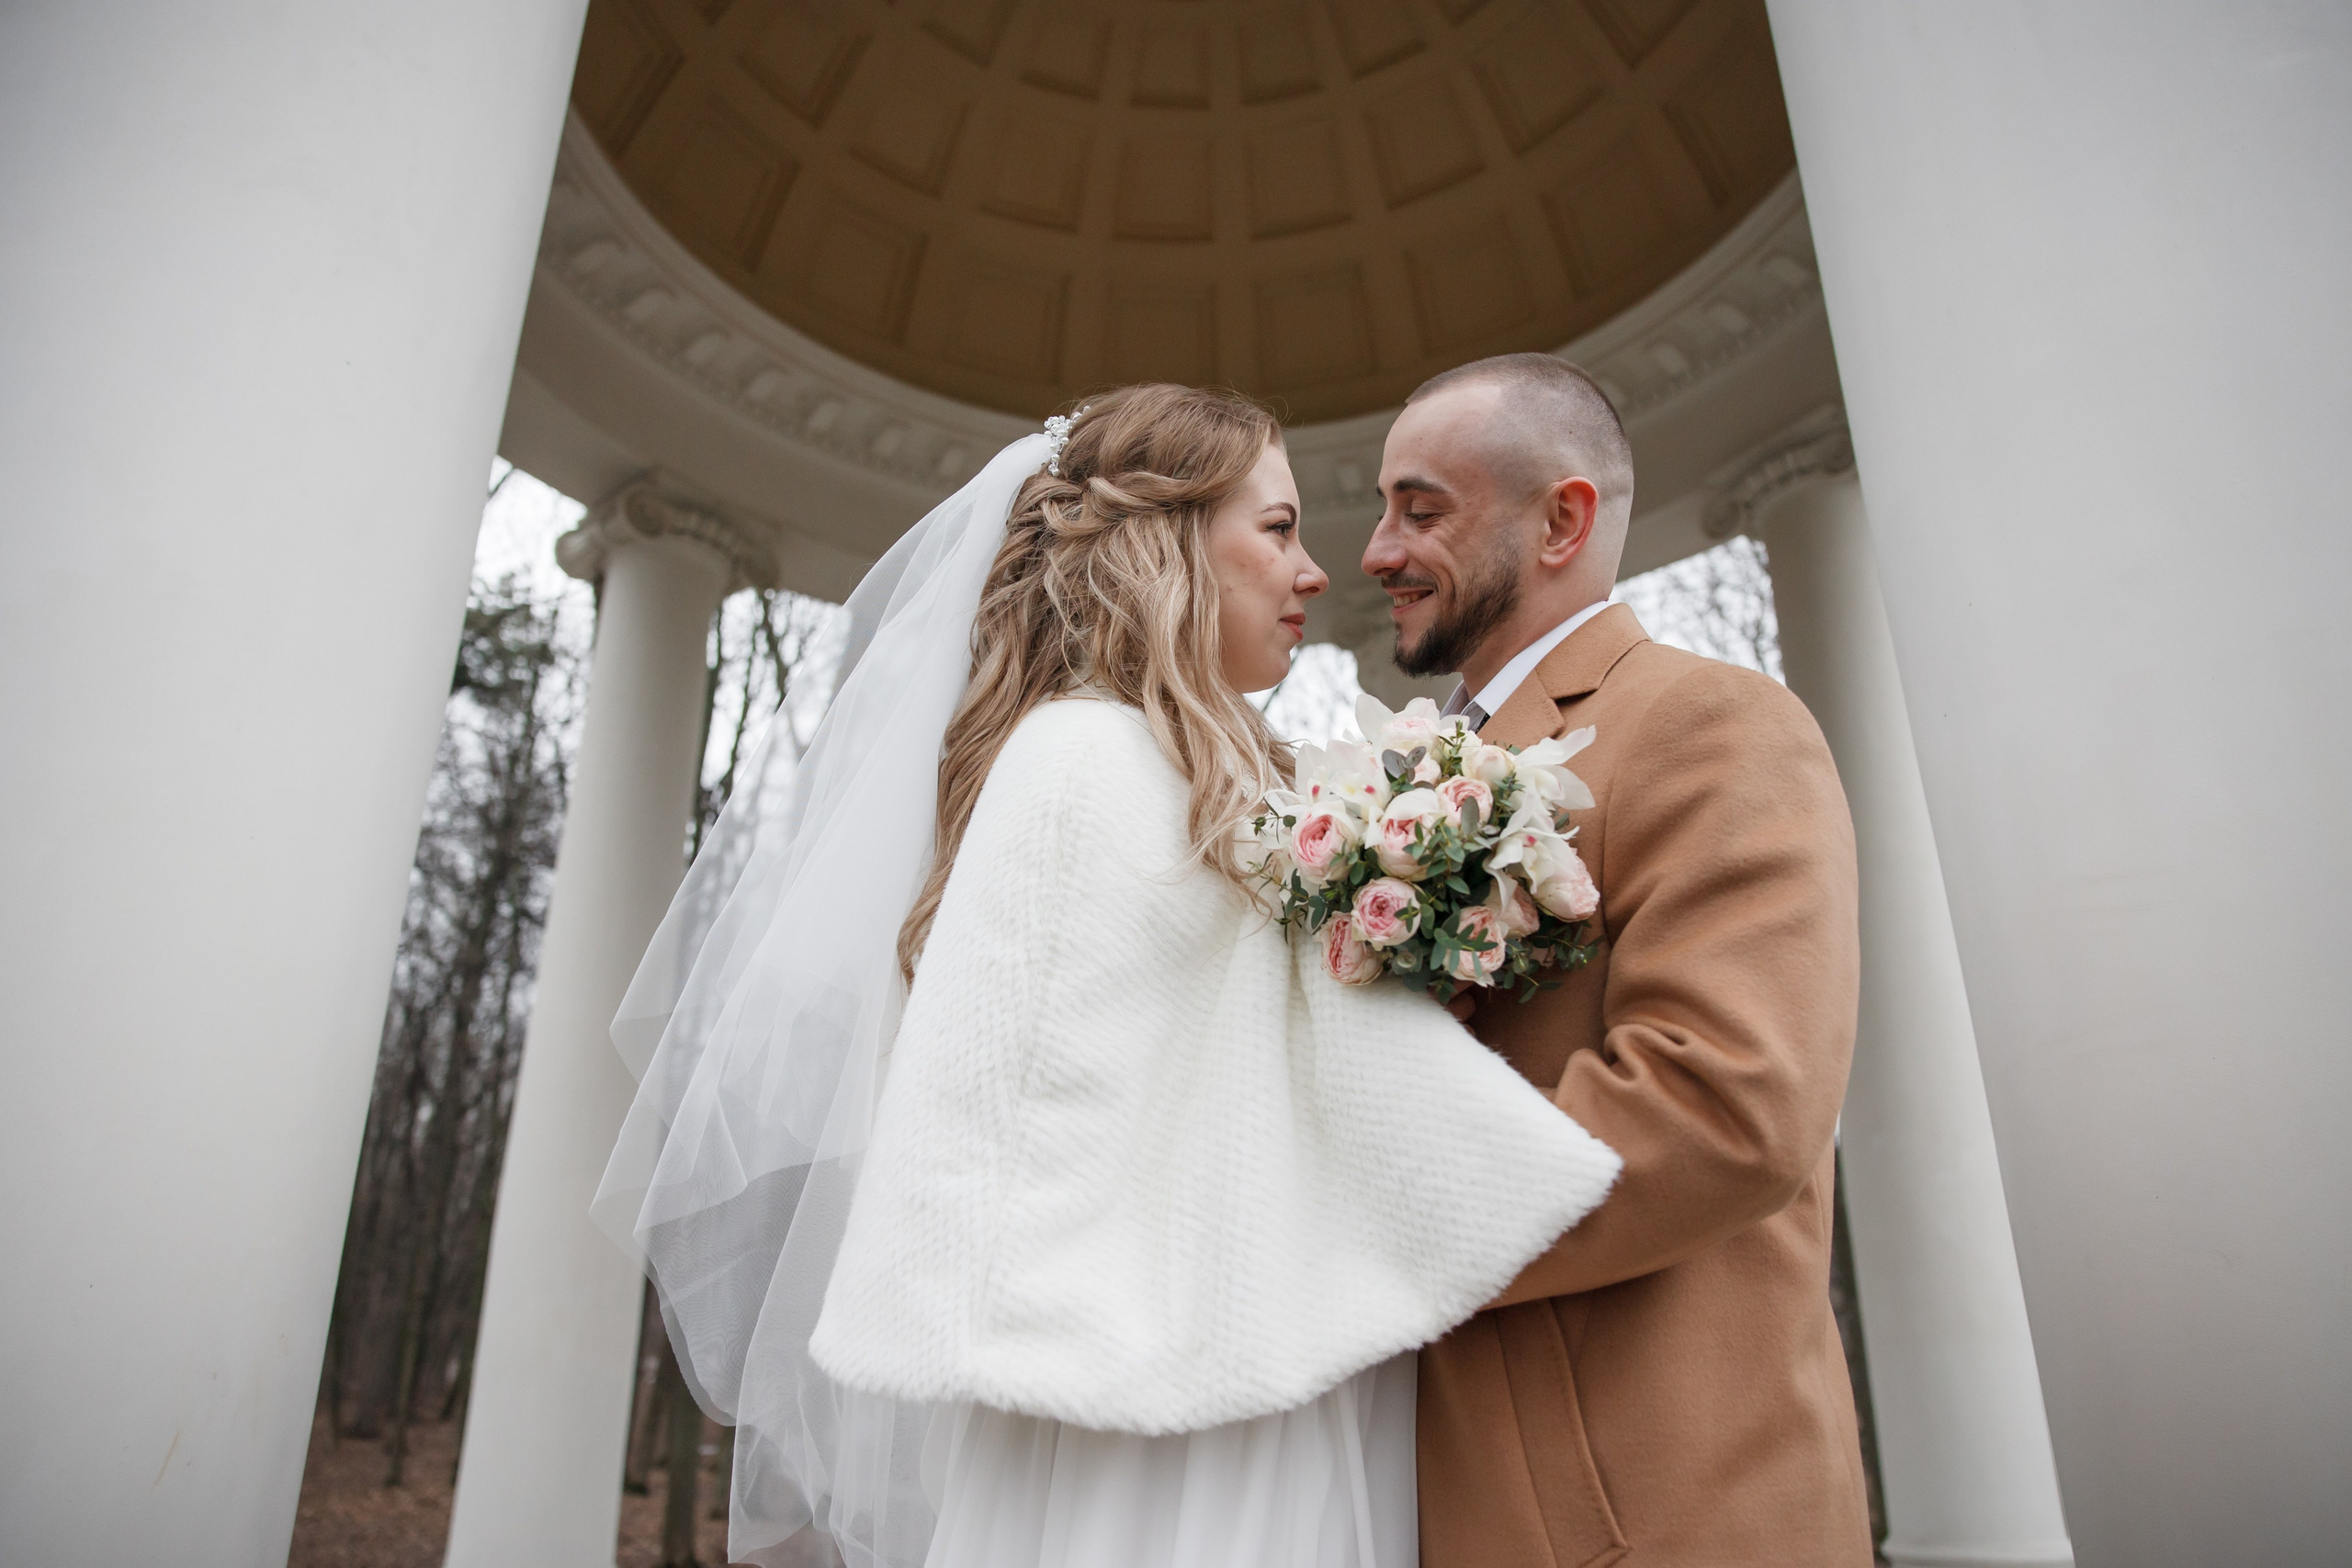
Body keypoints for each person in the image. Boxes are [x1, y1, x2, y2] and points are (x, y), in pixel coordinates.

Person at [594, 384, 1623, 1568]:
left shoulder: (1186, 767)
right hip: (1167, 1410)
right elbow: (1107, 1113)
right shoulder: (1086, 761)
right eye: (1277, 528)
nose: (1314, 572)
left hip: (1244, 1355)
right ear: (1167, 542)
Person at [1364, 354, 1873, 1566]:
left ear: (1562, 521)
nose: (1377, 550)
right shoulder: (1411, 774)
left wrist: (1363, 1218)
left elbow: (1726, 1105)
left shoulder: (1708, 723)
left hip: (1649, 1521)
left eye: (1421, 510)